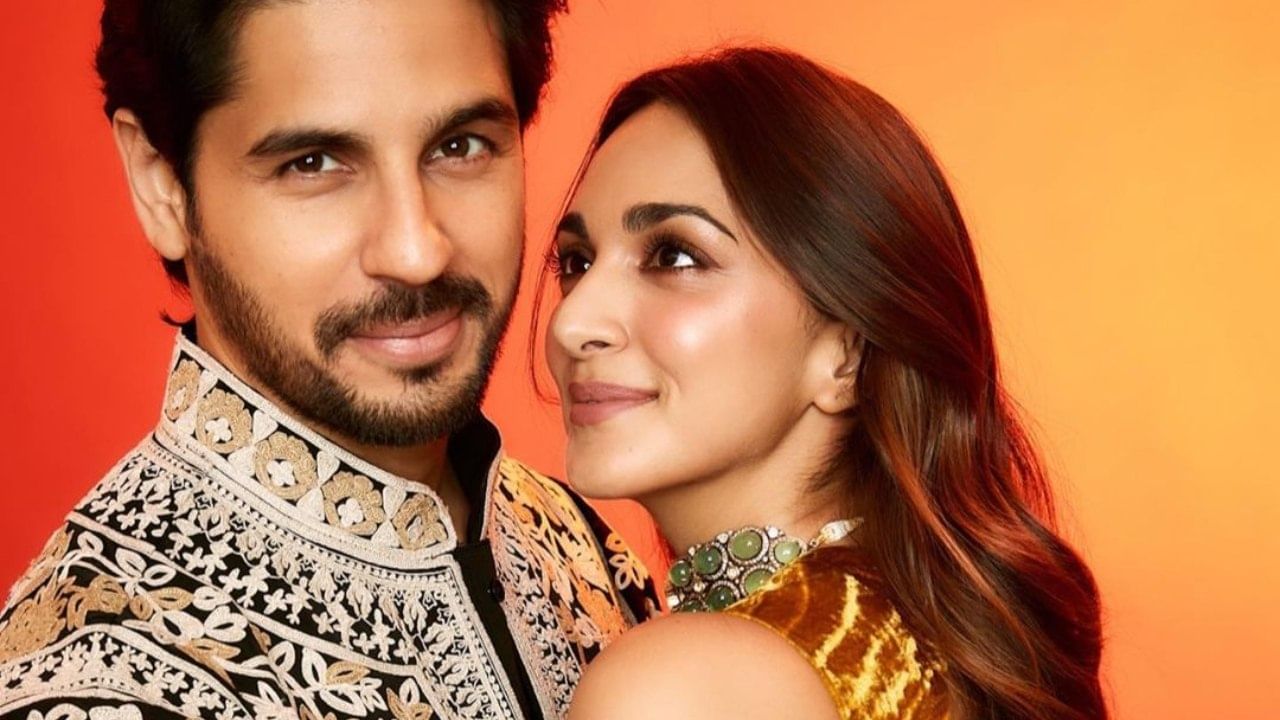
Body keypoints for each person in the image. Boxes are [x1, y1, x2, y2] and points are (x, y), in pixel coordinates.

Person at [0, 2, 658, 719]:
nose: (416, 252)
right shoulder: (101, 688)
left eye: (460, 146)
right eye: (312, 163)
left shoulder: (576, 544)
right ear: (161, 183)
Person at [547, 47, 1107, 719]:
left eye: (675, 256)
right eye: (575, 262)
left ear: (845, 355)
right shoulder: (917, 645)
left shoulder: (677, 688)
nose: (572, 323)